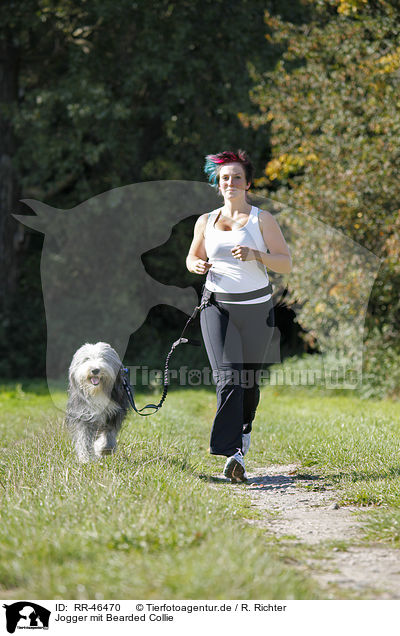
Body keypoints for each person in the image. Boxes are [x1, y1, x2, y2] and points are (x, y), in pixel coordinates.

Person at [186, 150, 292, 482]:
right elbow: (192, 257)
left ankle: (243, 432)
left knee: (248, 381)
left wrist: (255, 253)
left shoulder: (262, 220)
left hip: (257, 310)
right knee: (228, 376)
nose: (230, 182)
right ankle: (231, 453)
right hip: (217, 307)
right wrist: (197, 265)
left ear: (247, 183)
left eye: (237, 177)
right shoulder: (206, 221)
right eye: (225, 177)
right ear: (217, 183)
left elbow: (284, 263)